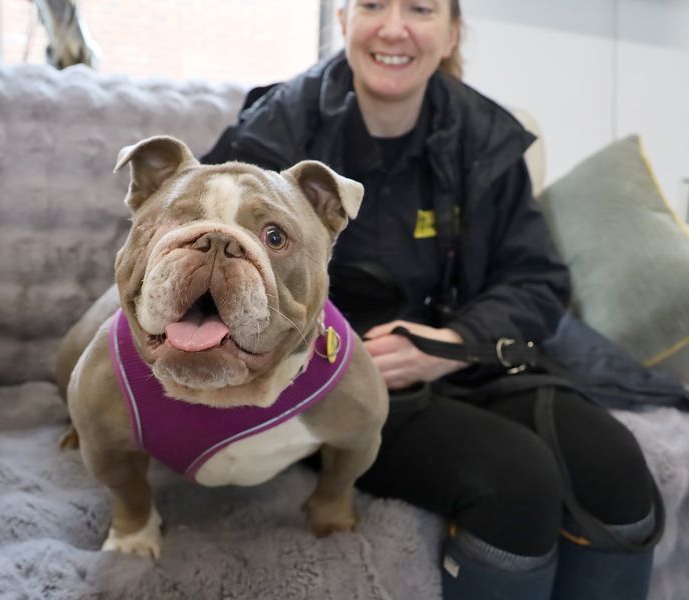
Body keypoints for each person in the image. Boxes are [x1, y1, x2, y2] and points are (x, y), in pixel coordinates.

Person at [202, 1, 660, 598]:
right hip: (330, 382)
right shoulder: (275, 128)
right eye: (373, 5)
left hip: (465, 361)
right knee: (517, 481)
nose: (394, 27)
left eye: (420, 8)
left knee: (617, 470)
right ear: (343, 21)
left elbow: (535, 279)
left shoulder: (485, 135)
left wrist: (453, 345)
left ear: (451, 34)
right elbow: (204, 265)